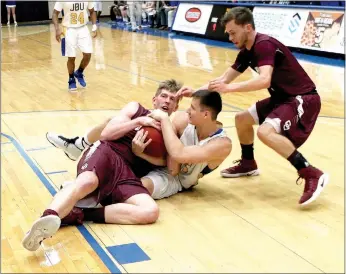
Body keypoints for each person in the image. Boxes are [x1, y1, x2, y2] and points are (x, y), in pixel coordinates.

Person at [177, 7, 329, 206]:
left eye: (233, 32)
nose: (230, 38)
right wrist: (195, 91)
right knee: (242, 120)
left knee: (265, 132)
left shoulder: (264, 45)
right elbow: (222, 80)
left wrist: (228, 89)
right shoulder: (246, 51)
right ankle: (248, 163)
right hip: (282, 97)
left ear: (247, 27)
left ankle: (310, 172)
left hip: (302, 98)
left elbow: (265, 80)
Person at [22, 80, 182, 252]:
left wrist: (140, 154)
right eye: (164, 96)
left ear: (176, 107)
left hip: (128, 175)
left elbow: (169, 165)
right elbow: (106, 134)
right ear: (154, 100)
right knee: (87, 182)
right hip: (107, 153)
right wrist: (139, 122)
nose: (167, 101)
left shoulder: (171, 131)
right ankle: (47, 218)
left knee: (150, 211)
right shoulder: (136, 109)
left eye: (172, 99)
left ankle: (79, 213)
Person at [138, 90, 232, 199]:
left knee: (139, 188)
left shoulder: (222, 144)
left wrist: (164, 119)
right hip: (155, 160)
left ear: (205, 114)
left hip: (176, 179)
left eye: (192, 108)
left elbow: (178, 157)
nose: (187, 110)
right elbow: (173, 162)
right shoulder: (183, 120)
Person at [52, 2, 97, 91]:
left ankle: (79, 72)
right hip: (69, 29)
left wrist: (94, 26)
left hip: (83, 27)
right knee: (71, 57)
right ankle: (71, 79)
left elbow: (92, 11)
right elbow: (54, 13)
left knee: (88, 54)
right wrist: (57, 29)